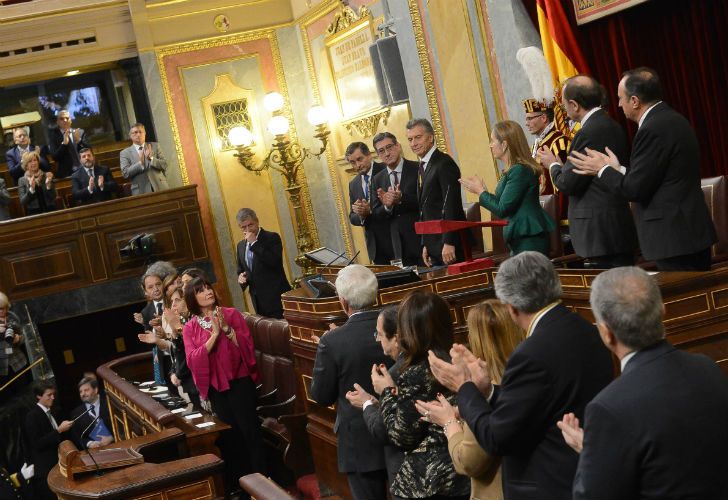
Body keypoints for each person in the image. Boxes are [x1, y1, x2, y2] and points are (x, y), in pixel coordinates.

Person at [428, 251, 613, 500]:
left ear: (511, 307)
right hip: (586, 473)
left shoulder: (530, 354)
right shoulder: (587, 329)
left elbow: (496, 438)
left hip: (548, 484)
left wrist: (464, 388)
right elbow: (547, 396)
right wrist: (489, 391)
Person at [558, 267, 728, 498]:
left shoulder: (608, 408)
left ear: (606, 333)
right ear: (663, 312)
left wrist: (590, 451)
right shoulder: (708, 367)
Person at [569, 67, 717, 271]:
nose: (619, 104)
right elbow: (651, 177)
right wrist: (618, 168)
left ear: (635, 101)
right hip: (683, 235)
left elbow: (635, 189)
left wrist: (602, 170)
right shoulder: (671, 119)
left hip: (675, 238)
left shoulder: (653, 129)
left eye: (621, 98)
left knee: (685, 302)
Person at [416, 300, 524, 500]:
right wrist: (462, 411)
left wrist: (448, 422)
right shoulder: (526, 378)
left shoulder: (482, 390)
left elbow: (468, 462)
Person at [372, 290, 470, 500]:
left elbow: (402, 436)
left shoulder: (418, 372)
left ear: (409, 330)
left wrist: (386, 392)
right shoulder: (457, 358)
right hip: (462, 473)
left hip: (433, 481)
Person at [538, 75, 638, 268]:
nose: (564, 109)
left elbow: (568, 183)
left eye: (564, 104)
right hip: (616, 227)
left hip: (600, 233)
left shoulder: (587, 132)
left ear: (574, 105)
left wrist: (553, 165)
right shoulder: (612, 125)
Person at [310, 265, 391, 499]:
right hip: (398, 433)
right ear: (375, 295)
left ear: (343, 301)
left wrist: (328, 348)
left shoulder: (332, 342)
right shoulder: (396, 325)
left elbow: (321, 396)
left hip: (359, 443)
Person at [183, 276, 263, 482]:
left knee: (250, 433)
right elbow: (193, 359)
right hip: (217, 388)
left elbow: (247, 346)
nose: (208, 292)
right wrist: (214, 334)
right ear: (192, 299)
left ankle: (264, 482)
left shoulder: (231, 314)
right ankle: (243, 484)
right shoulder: (190, 328)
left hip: (240, 382)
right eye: (200, 290)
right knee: (231, 437)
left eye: (208, 287)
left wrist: (226, 330)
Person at [460, 120, 555, 256]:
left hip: (529, 239)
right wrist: (483, 191)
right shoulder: (512, 170)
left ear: (504, 145)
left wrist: (480, 192)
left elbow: (502, 209)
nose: (490, 145)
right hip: (519, 238)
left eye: (492, 141)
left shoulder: (519, 170)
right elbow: (502, 204)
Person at [345, 305, 405, 499]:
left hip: (408, 472)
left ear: (395, 337)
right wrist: (376, 402)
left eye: (379, 334)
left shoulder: (397, 373)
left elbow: (384, 428)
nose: (377, 339)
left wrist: (367, 404)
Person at [406, 118, 467, 266]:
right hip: (434, 245)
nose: (413, 143)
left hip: (449, 247)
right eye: (410, 139)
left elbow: (452, 205)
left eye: (418, 137)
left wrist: (449, 242)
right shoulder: (424, 165)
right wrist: (426, 243)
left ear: (431, 137)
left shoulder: (444, 163)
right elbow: (426, 210)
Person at [371, 132, 421, 267]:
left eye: (389, 147)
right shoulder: (377, 179)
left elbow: (426, 201)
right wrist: (387, 206)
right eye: (381, 151)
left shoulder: (417, 168)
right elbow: (375, 214)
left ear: (398, 146)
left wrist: (401, 198)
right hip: (397, 245)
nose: (387, 153)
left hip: (421, 238)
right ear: (378, 155)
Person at [235, 208, 291, 319]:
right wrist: (241, 278)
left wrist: (254, 243)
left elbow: (274, 262)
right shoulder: (240, 245)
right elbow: (241, 270)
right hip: (258, 301)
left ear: (257, 221)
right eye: (243, 227)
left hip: (276, 299)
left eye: (250, 225)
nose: (248, 229)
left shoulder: (272, 237)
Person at [23, 380, 73, 500]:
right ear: (39, 396)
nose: (53, 397)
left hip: (57, 465)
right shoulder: (32, 416)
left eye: (53, 394)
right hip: (45, 471)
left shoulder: (51, 412)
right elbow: (37, 443)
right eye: (49, 395)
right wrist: (59, 430)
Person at [346, 142, 394, 265]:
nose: (357, 165)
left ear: (369, 155)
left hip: (395, 239)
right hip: (375, 247)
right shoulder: (353, 184)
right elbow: (352, 217)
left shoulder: (386, 169)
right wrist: (360, 214)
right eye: (352, 162)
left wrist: (370, 211)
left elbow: (396, 204)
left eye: (359, 159)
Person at [523, 98, 569, 219]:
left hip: (559, 213)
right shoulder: (535, 145)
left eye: (529, 118)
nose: (526, 123)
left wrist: (560, 215)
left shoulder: (558, 141)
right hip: (542, 211)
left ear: (543, 118)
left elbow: (564, 180)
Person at [161, 275, 201, 409]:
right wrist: (173, 372)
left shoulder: (196, 321)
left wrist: (177, 328)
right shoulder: (184, 321)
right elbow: (176, 352)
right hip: (189, 382)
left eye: (177, 300)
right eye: (172, 302)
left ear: (188, 300)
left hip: (198, 380)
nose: (173, 305)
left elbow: (191, 351)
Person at [120, 123, 170, 195]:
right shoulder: (125, 153)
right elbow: (125, 173)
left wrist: (151, 159)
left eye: (141, 132)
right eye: (135, 132)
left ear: (145, 133)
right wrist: (140, 163)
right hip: (140, 191)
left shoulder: (155, 146)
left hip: (160, 187)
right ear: (130, 136)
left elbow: (164, 165)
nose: (138, 135)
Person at [69, 377, 113, 450]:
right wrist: (89, 444)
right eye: (80, 391)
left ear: (95, 390)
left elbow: (121, 427)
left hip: (115, 447)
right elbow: (76, 437)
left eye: (86, 390)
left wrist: (111, 438)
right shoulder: (76, 413)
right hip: (93, 454)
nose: (83, 394)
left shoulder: (110, 404)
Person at [48, 109, 89, 178]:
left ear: (71, 120)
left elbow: (89, 150)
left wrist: (79, 141)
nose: (65, 120)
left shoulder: (80, 132)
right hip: (67, 173)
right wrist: (64, 144)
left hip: (84, 169)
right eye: (62, 119)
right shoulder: (53, 137)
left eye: (67, 118)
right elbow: (55, 158)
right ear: (57, 122)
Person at [17, 151, 56, 216]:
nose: (33, 163)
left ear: (38, 162)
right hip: (34, 214)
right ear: (26, 165)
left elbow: (53, 197)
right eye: (30, 161)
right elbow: (23, 201)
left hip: (50, 210)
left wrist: (48, 186)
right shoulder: (22, 180)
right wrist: (31, 189)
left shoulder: (47, 175)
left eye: (35, 160)